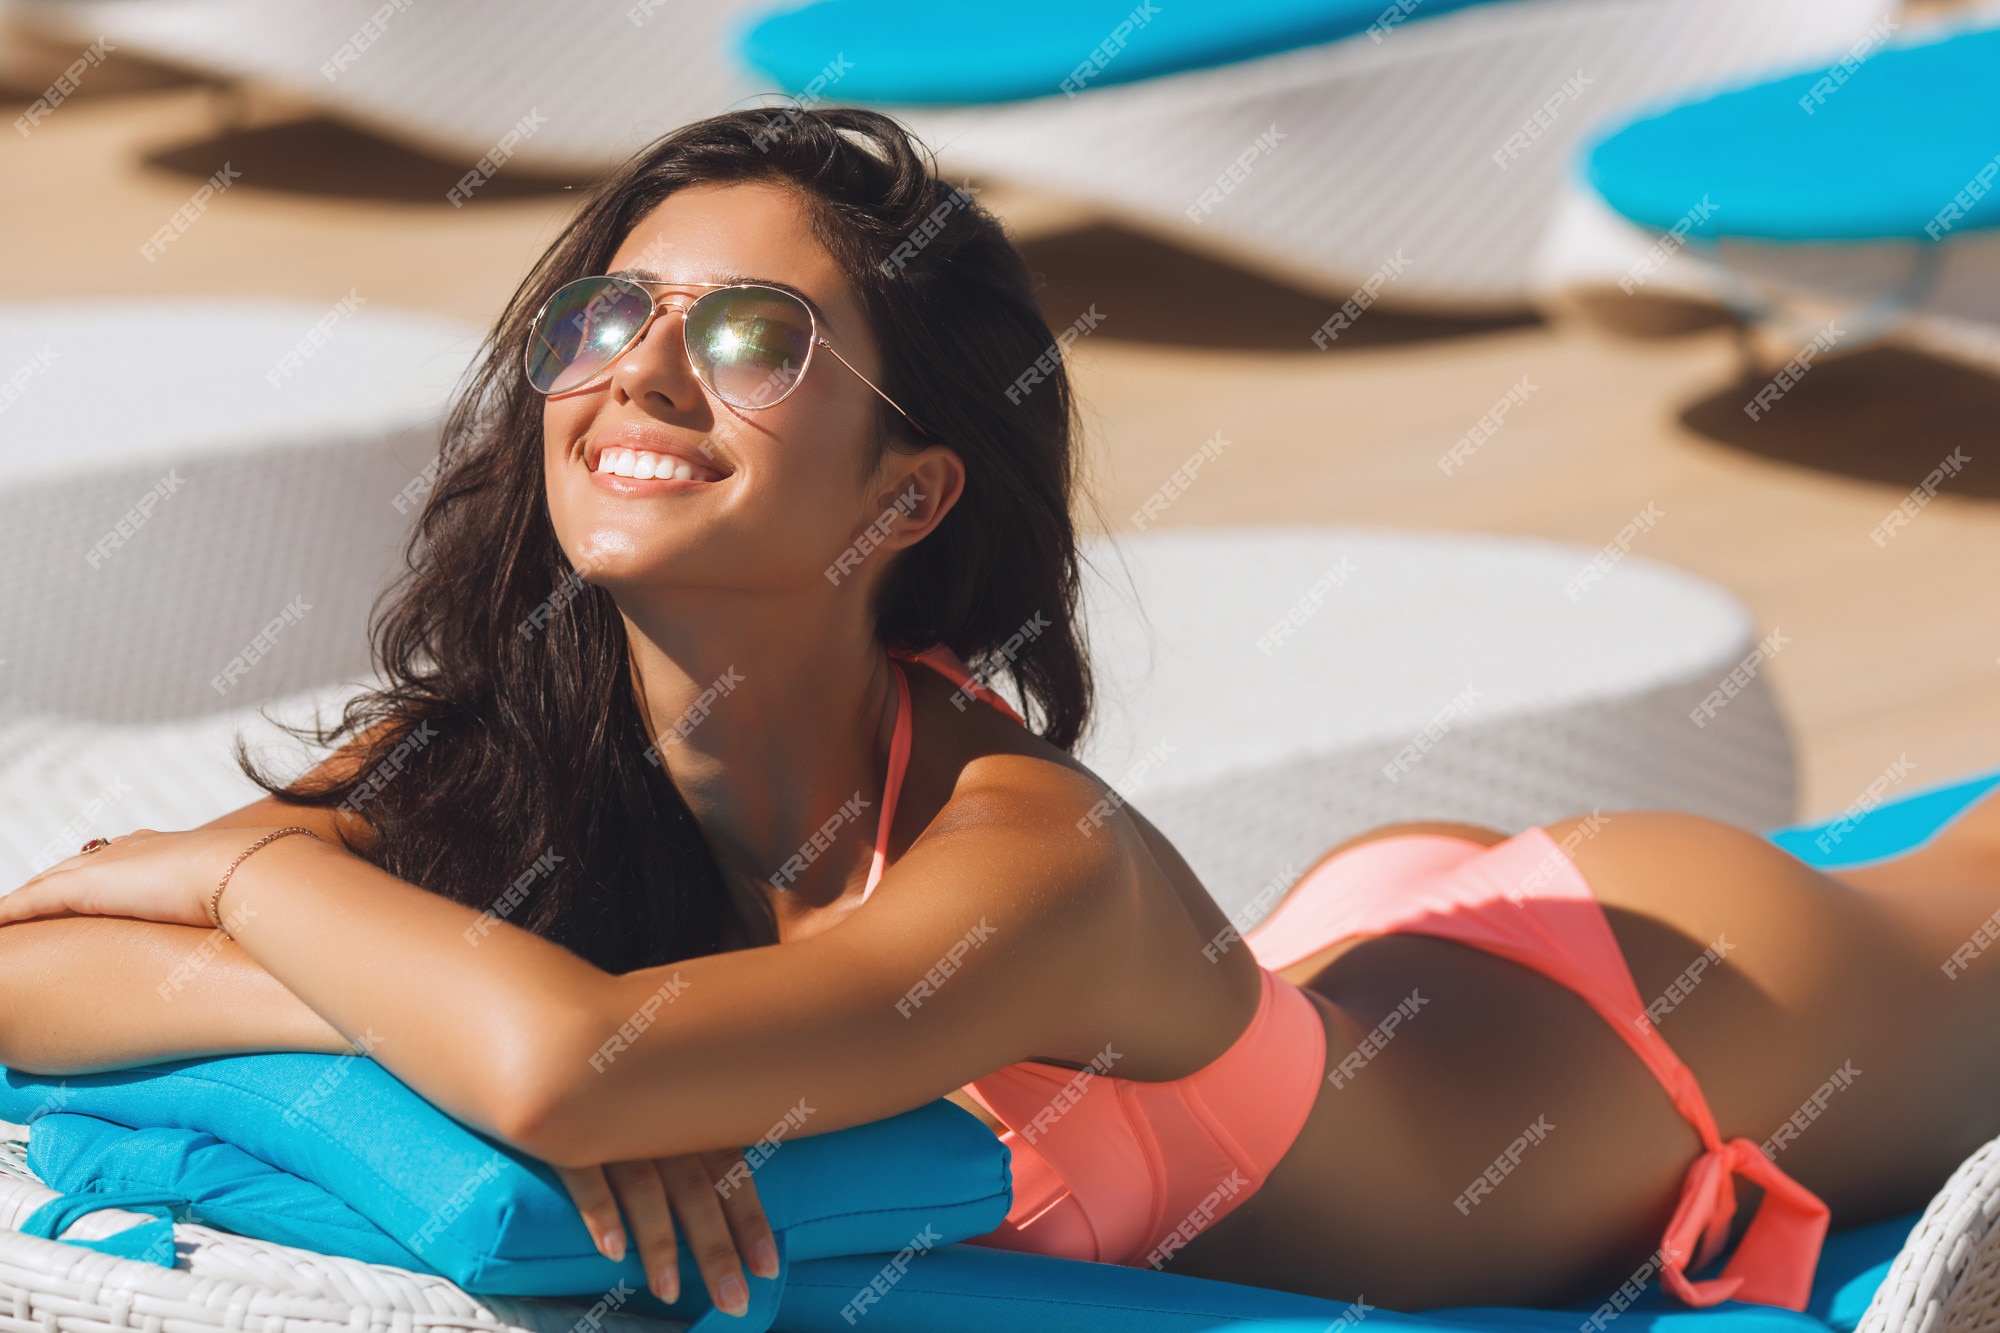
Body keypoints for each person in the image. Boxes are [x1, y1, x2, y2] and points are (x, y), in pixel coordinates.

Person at [3, 106, 1997, 1322]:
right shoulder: (504, 748)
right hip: (1328, 991)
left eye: (753, 337)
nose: (644, 376)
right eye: (608, 315)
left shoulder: (1027, 853)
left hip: (1668, 1029)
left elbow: (578, 1071)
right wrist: (312, 939)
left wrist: (237, 877)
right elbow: (25, 962)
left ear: (908, 490)